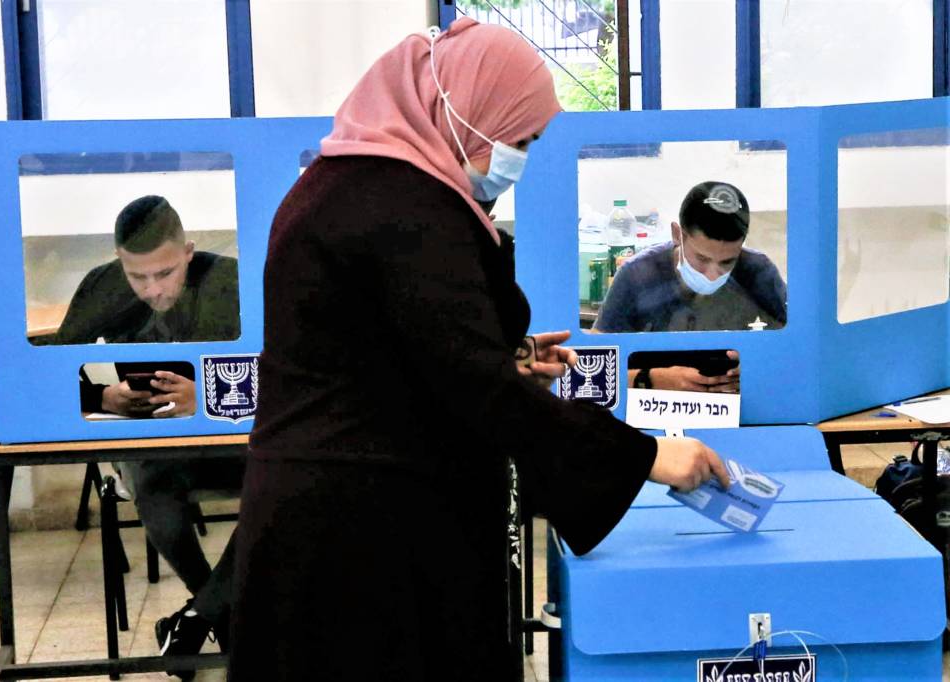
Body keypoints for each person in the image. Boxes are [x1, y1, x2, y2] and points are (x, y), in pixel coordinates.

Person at [228, 19, 728, 682]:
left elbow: (383, 349)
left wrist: (509, 357)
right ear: (458, 108)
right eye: (515, 137)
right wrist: (648, 455)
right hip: (367, 536)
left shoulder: (338, 182)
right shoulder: (408, 209)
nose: (517, 156)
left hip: (333, 511)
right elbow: (473, 390)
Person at [55, 195, 242, 675]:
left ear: (188, 252)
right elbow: (49, 373)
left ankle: (199, 617)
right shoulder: (101, 286)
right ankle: (218, 611)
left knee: (284, 481)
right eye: (138, 277)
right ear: (120, 261)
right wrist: (102, 398)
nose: (152, 289)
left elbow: (275, 369)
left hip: (228, 438)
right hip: (150, 445)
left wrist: (205, 395)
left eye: (165, 273)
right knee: (153, 481)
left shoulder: (229, 282)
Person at [594, 181, 786, 393]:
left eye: (727, 262)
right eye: (702, 259)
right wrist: (652, 379)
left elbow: (797, 352)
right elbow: (588, 370)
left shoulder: (759, 273)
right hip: (653, 411)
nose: (712, 276)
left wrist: (759, 369)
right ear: (678, 234)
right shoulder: (637, 275)